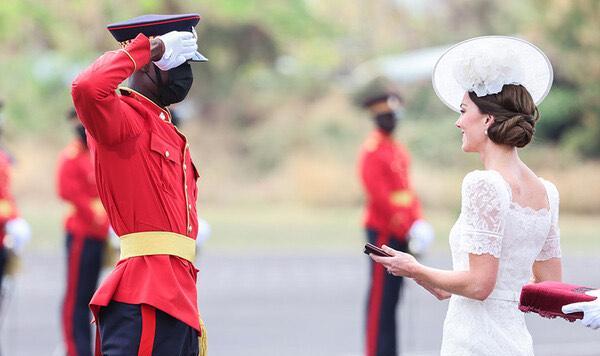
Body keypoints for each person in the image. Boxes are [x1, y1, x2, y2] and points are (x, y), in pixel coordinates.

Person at [370, 36, 562, 355]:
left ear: (487, 120)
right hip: (515, 343)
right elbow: (549, 287)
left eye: (462, 111)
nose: (458, 122)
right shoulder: (547, 192)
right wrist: (437, 282)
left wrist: (413, 267)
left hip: (475, 342)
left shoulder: (483, 184)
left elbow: (479, 285)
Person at [71, 13, 208, 355]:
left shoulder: (166, 128)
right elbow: (87, 87)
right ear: (149, 65)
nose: (186, 74)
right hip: (145, 294)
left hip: (180, 295)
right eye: (178, 63)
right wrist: (152, 47)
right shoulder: (123, 119)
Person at [356, 80, 433, 356]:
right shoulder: (372, 151)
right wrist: (405, 224)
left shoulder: (397, 150)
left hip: (401, 232)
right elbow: (380, 197)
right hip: (383, 233)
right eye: (386, 117)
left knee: (393, 298)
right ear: (377, 119)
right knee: (380, 301)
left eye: (394, 116)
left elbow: (406, 193)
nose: (391, 121)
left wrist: (417, 222)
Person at [57, 108, 110, 356]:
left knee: (91, 296)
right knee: (76, 297)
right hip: (81, 232)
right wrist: (98, 219)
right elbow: (69, 192)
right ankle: (75, 350)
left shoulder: (97, 151)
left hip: (100, 234)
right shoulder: (71, 157)